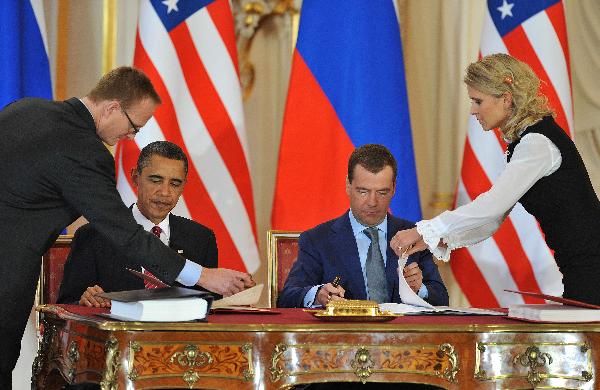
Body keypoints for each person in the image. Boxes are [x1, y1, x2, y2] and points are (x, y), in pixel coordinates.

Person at [0, 67, 254, 386]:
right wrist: (202, 275)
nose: (132, 136)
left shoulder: (22, 109)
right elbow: (126, 234)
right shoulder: (87, 154)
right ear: (112, 108)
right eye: (134, 126)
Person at [391, 53, 600, 305]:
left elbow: (491, 207)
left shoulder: (537, 143)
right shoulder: (527, 141)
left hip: (591, 270)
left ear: (506, 98)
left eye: (478, 101)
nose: (472, 110)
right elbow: (492, 220)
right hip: (582, 269)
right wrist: (432, 239)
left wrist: (426, 229)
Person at [278, 144, 449, 308]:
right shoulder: (318, 239)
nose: (372, 202)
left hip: (402, 336)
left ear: (394, 188)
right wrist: (318, 295)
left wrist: (420, 289)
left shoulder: (413, 234)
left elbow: (442, 298)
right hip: (344, 336)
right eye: (363, 192)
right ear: (348, 185)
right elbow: (287, 297)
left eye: (382, 192)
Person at [57, 141, 220, 306]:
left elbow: (213, 308)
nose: (165, 192)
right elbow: (66, 307)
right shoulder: (94, 235)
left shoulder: (201, 239)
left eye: (175, 184)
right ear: (135, 178)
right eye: (156, 180)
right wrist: (86, 301)